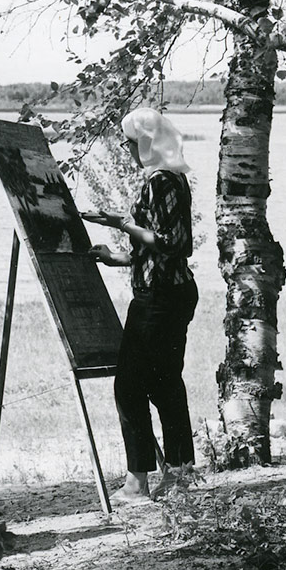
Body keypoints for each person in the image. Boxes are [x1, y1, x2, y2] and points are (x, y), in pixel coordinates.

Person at [84, 107, 198, 503]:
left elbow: (173, 243)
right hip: (172, 292)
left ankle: (138, 481)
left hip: (160, 299)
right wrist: (119, 255)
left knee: (130, 387)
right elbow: (156, 247)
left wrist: (120, 224)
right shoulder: (173, 177)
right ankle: (180, 476)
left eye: (131, 143)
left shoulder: (161, 181)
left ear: (146, 144)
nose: (129, 150)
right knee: (166, 384)